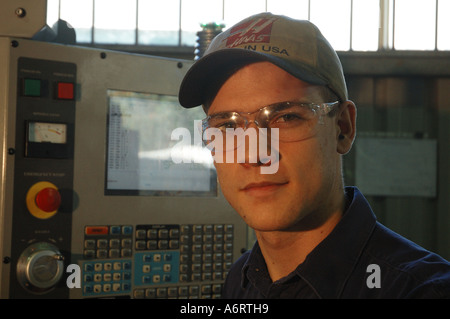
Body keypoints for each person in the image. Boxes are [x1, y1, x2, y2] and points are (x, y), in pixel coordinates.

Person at [178, 12, 450, 298]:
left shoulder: (420, 290)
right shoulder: (241, 280)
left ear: (342, 128)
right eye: (228, 126)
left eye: (285, 117)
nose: (254, 154)